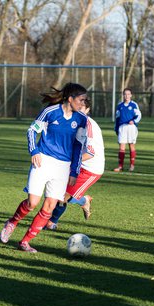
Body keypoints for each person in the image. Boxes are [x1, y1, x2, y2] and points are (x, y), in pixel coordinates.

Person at [0, 82, 88, 253]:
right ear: (70, 99)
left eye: (85, 101)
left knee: (49, 207)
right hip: (43, 161)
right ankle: (12, 222)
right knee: (32, 203)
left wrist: (74, 171)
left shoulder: (82, 120)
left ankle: (25, 242)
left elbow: (79, 146)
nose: (83, 104)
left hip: (63, 167)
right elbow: (32, 131)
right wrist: (34, 151)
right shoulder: (50, 112)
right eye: (81, 100)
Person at [45, 97, 105, 230]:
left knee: (62, 196)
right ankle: (83, 200)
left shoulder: (89, 125)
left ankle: (51, 222)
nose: (79, 110)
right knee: (56, 191)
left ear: (88, 109)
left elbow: (90, 153)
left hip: (90, 169)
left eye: (82, 108)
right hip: (78, 164)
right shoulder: (76, 122)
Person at [114, 88, 141, 172]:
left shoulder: (134, 105)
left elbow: (139, 115)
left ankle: (132, 165)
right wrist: (116, 128)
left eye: (128, 94)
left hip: (131, 127)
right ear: (123, 95)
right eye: (125, 94)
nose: (127, 96)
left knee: (131, 145)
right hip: (122, 127)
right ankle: (120, 166)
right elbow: (117, 118)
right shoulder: (120, 106)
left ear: (131, 95)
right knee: (122, 147)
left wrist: (134, 121)